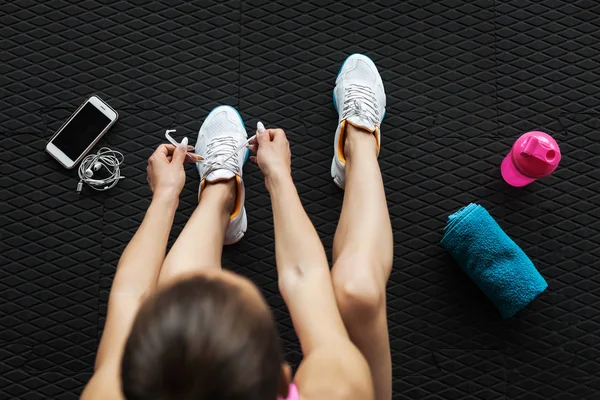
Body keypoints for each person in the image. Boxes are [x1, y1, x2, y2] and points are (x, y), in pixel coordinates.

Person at [81, 54, 393, 400]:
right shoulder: (337, 387)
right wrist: (278, 176)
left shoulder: (110, 391)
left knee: (183, 288)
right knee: (358, 290)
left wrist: (166, 195)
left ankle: (221, 194)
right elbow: (303, 277)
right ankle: (359, 141)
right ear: (286, 378)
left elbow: (131, 293)